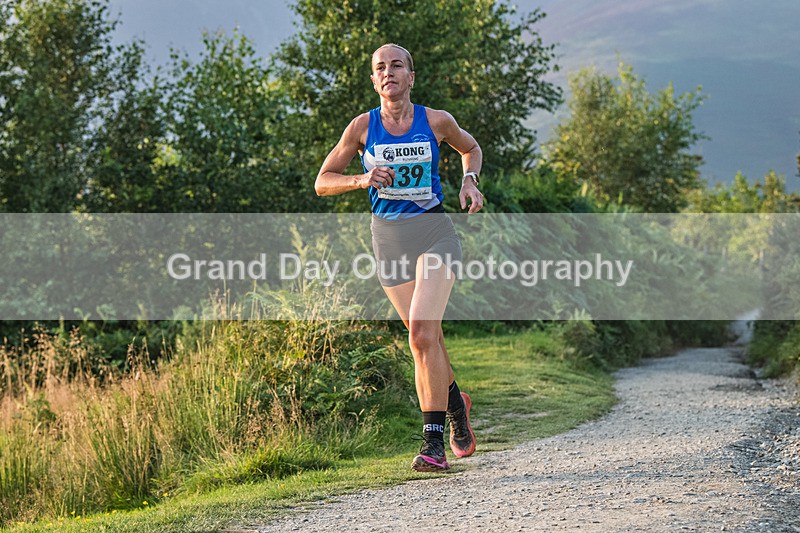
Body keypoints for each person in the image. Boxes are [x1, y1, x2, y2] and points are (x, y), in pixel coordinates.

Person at [315, 43, 484, 472]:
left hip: (434, 233)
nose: (388, 72)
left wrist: (469, 180)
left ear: (411, 76)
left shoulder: (436, 121)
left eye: (397, 65)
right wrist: (362, 178)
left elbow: (471, 148)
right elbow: (322, 182)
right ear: (374, 81)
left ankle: (432, 443)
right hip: (388, 240)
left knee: (421, 336)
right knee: (428, 337)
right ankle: (455, 405)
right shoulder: (361, 128)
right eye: (380, 68)